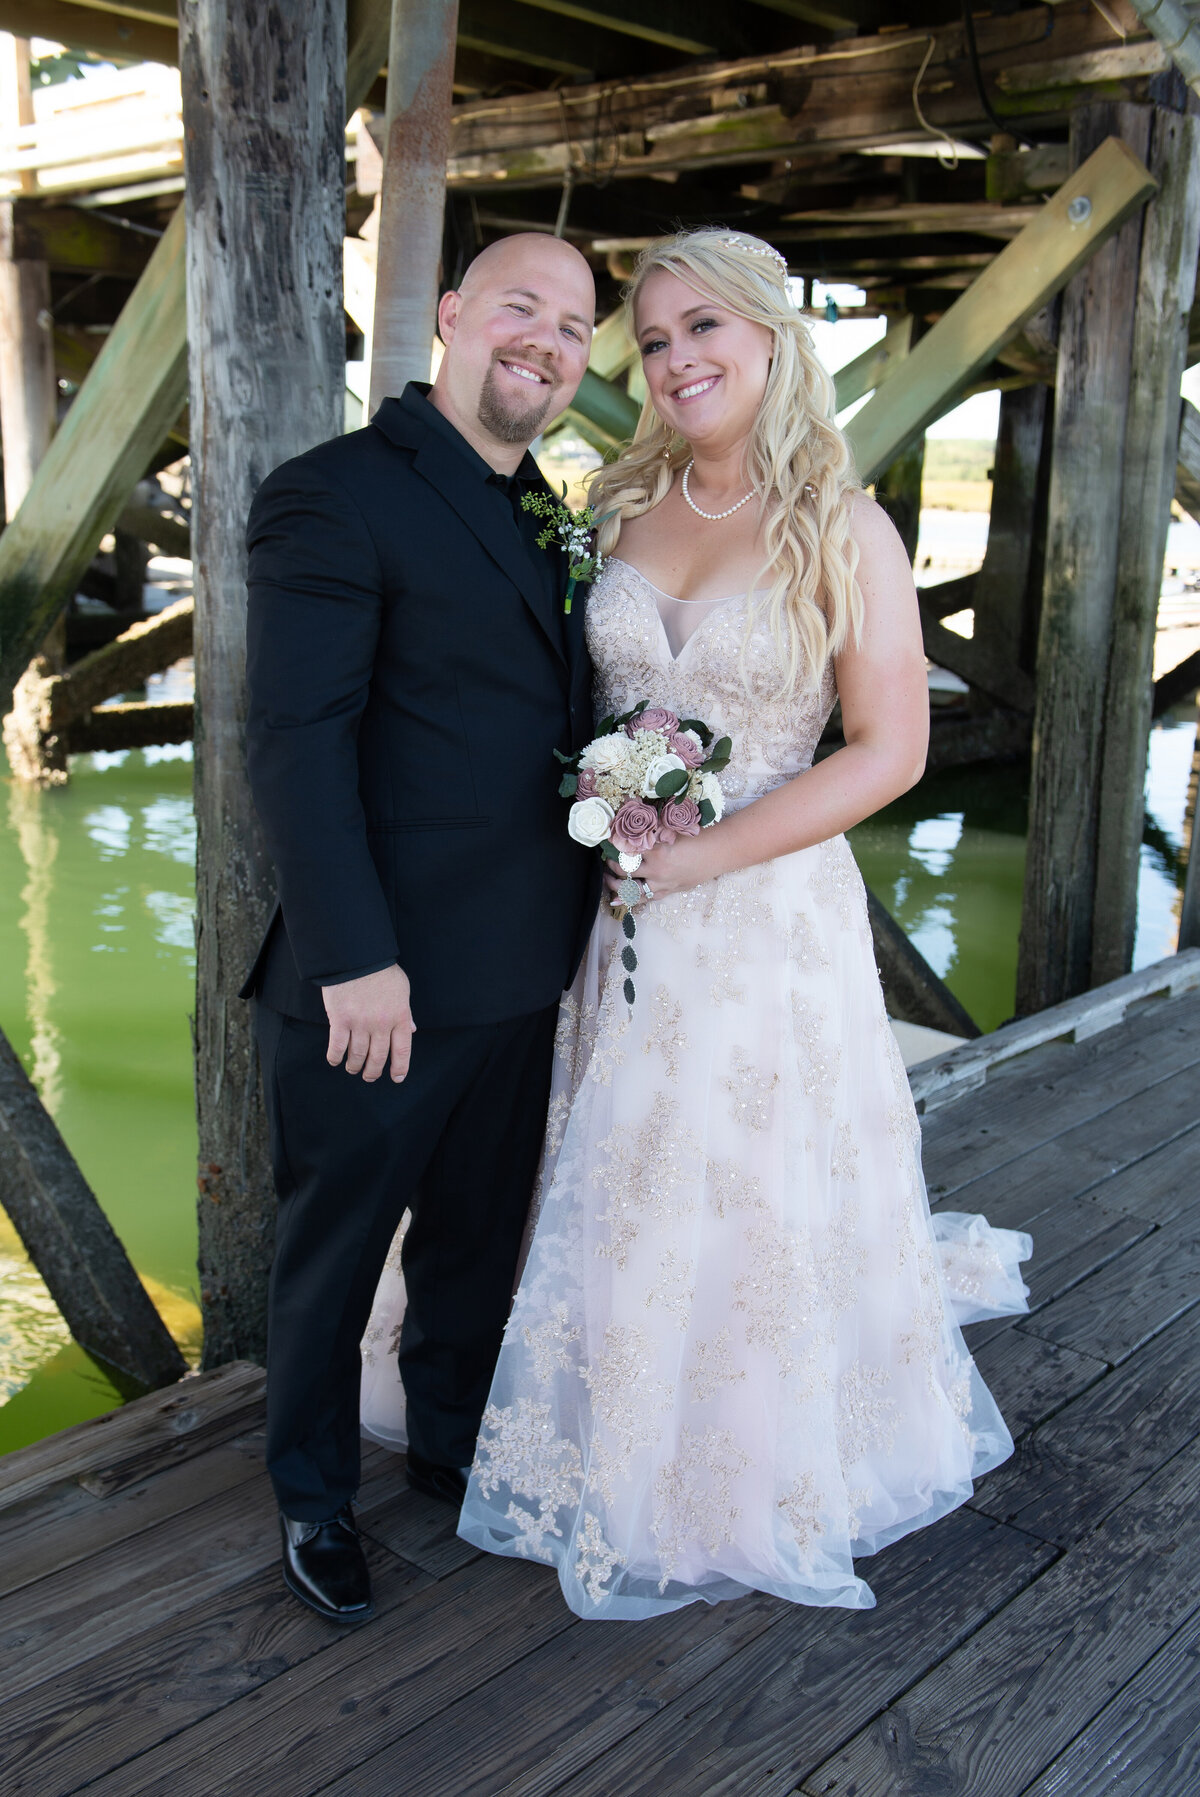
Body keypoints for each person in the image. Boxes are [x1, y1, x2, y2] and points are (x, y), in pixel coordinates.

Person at [440, 228, 1032, 1618]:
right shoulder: (613, 503)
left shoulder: (847, 527)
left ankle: (728, 1453)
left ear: (773, 338)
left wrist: (700, 857)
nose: (679, 360)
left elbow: (888, 752)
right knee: (619, 1156)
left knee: (743, 1178)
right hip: (614, 909)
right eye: (651, 341)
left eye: (705, 329)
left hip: (763, 921)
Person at [242, 233, 599, 1623]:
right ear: (450, 316)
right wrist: (352, 957)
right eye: (522, 307)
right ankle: (313, 1495)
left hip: (521, 965)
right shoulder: (333, 497)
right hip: (375, 979)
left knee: (472, 1240)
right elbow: (297, 744)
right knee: (333, 1255)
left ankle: (449, 1445)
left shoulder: (541, 510)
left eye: (574, 328)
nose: (546, 343)